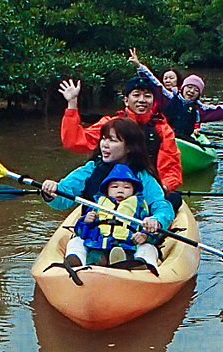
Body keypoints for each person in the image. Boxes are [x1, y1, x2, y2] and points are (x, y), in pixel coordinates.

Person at [42, 117, 174, 283]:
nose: (104, 144)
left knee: (147, 247)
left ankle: (138, 270)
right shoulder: (91, 169)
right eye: (103, 138)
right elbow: (64, 197)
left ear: (129, 148)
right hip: (95, 234)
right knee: (77, 242)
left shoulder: (142, 176)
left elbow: (161, 205)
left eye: (112, 140)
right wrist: (52, 191)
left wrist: (156, 220)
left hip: (132, 237)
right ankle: (78, 267)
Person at [58, 76, 182, 194]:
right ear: (126, 100)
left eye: (147, 96)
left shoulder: (162, 129)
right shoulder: (110, 125)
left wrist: (163, 187)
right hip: (110, 189)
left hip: (147, 187)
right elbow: (74, 142)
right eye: (136, 95)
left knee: (174, 199)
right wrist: (72, 104)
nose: (142, 100)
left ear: (153, 101)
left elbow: (171, 166)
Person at [127, 48, 223, 139]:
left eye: (196, 90)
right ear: (183, 87)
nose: (191, 91)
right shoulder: (168, 97)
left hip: (183, 139)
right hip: (163, 135)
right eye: (189, 87)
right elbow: (154, 82)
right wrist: (139, 66)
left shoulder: (199, 109)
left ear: (199, 94)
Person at [73, 163, 160, 274]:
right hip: (99, 244)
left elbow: (151, 230)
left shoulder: (139, 207)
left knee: (128, 256)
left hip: (126, 244)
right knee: (95, 257)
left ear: (134, 190)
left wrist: (144, 235)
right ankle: (90, 270)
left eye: (126, 187)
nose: (120, 190)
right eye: (115, 187)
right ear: (107, 190)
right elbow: (79, 231)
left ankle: (126, 266)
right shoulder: (97, 205)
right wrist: (85, 221)